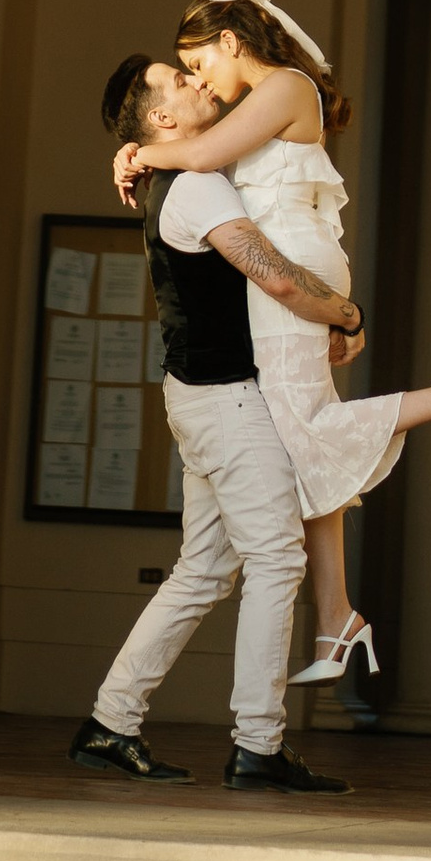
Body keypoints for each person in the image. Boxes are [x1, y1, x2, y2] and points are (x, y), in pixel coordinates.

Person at [113, 0, 431, 691]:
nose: (199, 79)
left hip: (293, 271)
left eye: (197, 62)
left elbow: (207, 156)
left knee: (308, 425)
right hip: (291, 271)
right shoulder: (263, 100)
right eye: (184, 76)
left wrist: (139, 152)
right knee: (307, 439)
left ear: (230, 40)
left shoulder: (284, 87)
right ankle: (337, 617)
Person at [71, 48, 360, 793]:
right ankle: (258, 745)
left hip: (202, 398)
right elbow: (269, 272)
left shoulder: (185, 173)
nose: (199, 80)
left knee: (203, 571)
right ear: (163, 115)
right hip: (226, 400)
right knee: (275, 561)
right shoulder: (196, 184)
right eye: (180, 78)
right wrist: (346, 314)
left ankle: (110, 724)